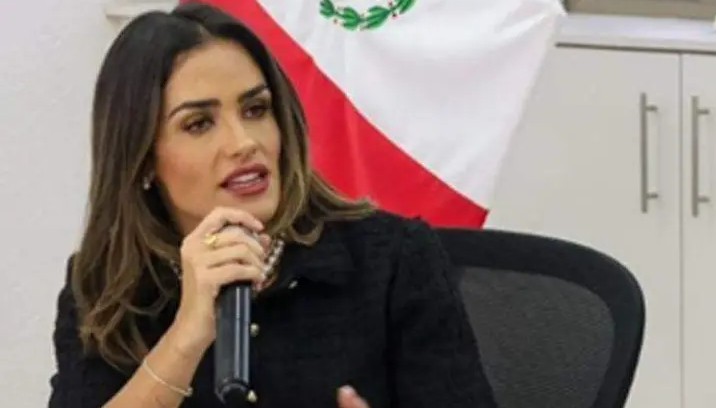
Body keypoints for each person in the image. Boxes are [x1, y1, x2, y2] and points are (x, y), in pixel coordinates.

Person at [47, 3, 496, 408]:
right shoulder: (105, 288)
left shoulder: (395, 260)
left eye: (255, 110)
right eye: (199, 123)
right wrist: (186, 336)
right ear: (143, 158)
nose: (244, 142)